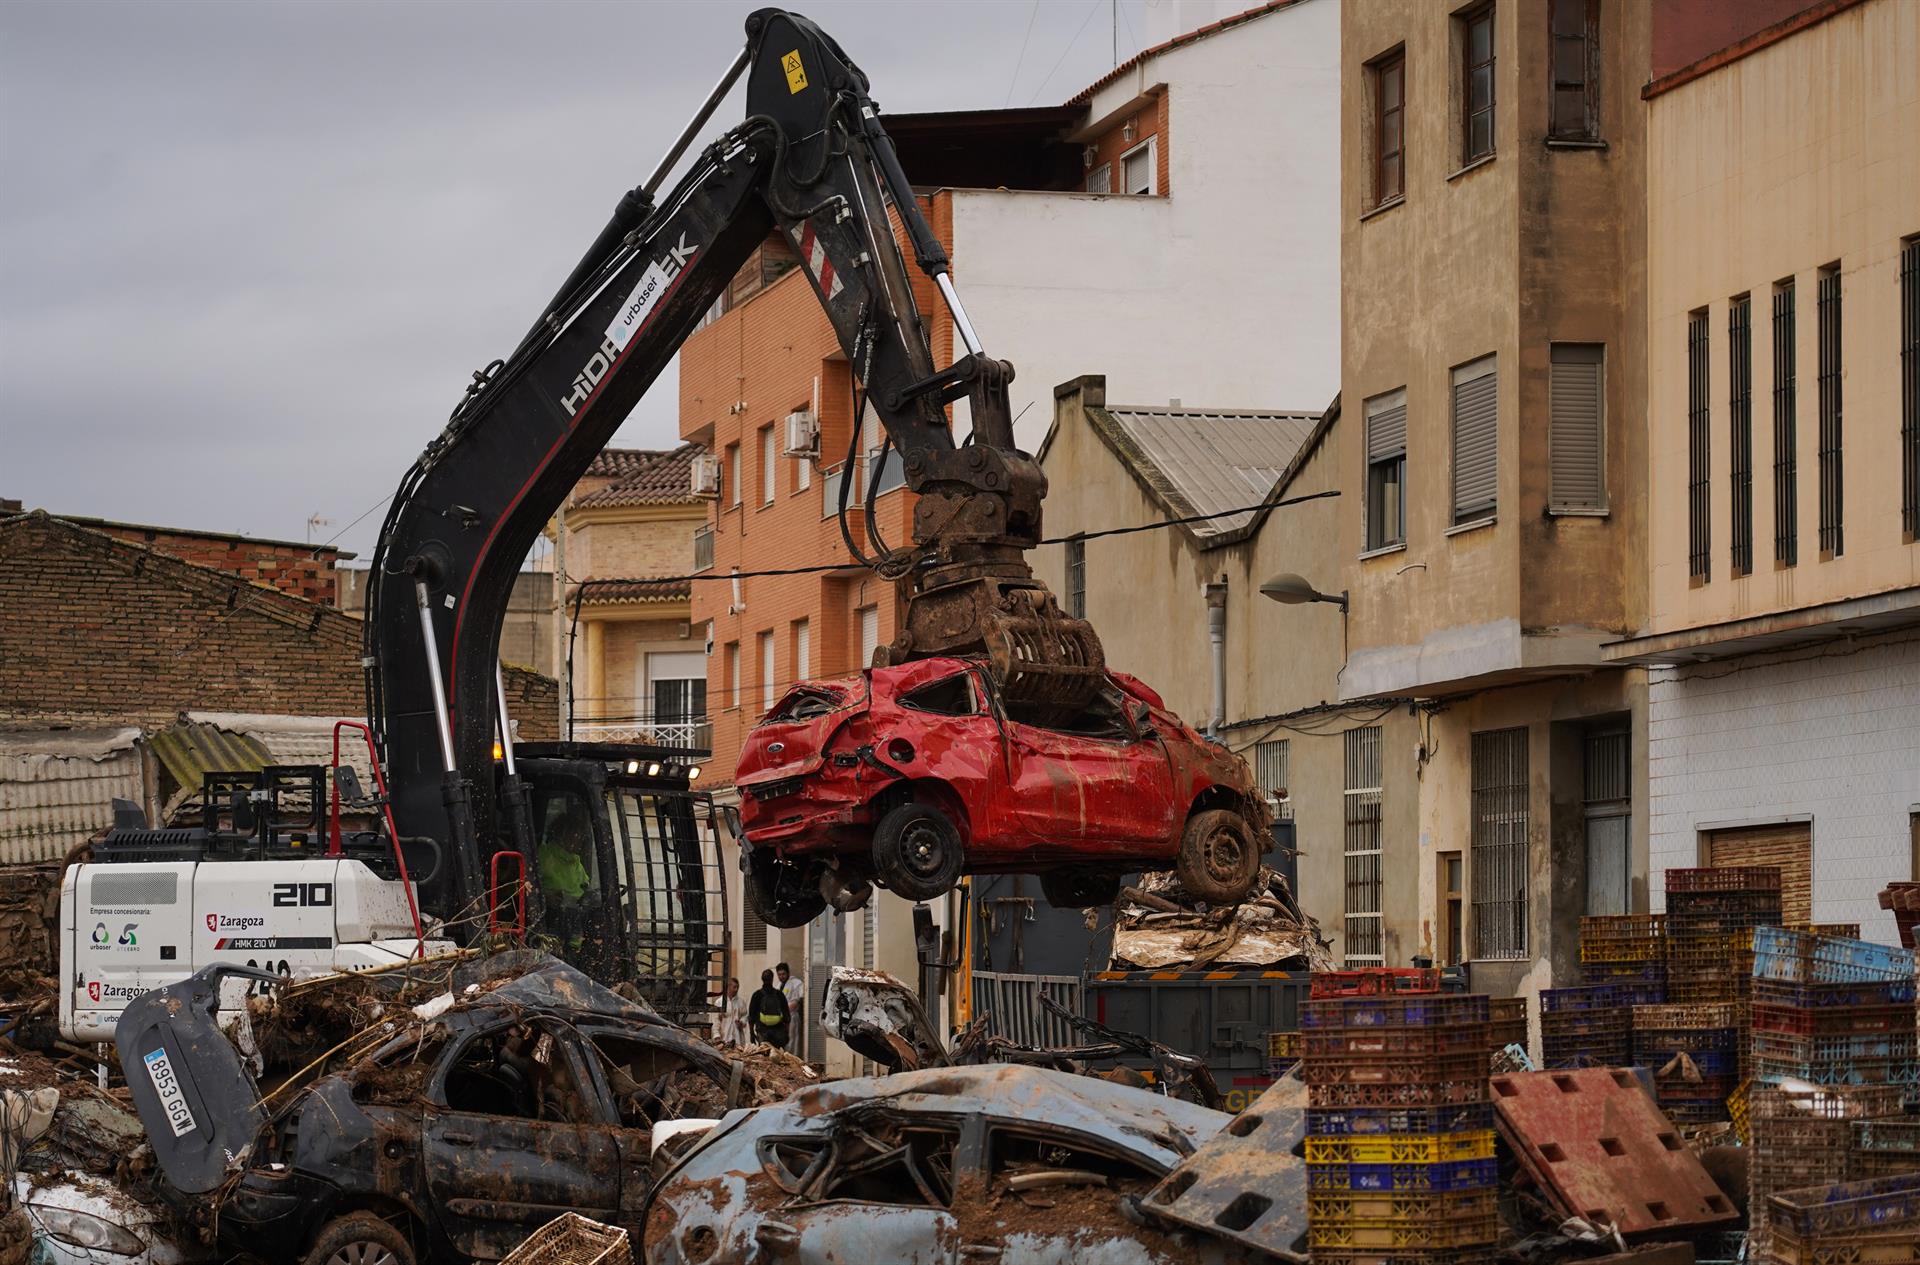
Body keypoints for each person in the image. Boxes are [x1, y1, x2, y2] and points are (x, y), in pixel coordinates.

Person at [750, 969, 791, 1049]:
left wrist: (751, 1033)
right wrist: (786, 1033)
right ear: (772, 979)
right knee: (778, 1057)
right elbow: (787, 1017)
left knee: (764, 1057)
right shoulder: (779, 995)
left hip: (762, 1032)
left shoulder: (757, 995)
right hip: (778, 1032)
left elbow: (751, 1017)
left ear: (762, 979)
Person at [715, 977, 749, 1048]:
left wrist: (741, 1022)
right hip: (724, 1038)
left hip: (738, 1039)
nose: (736, 989)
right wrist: (716, 1035)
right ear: (728, 987)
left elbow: (745, 1015)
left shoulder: (741, 1002)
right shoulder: (719, 1002)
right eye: (734, 987)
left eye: (737, 987)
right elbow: (716, 1021)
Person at [777, 961, 805, 1037]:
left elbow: (801, 997)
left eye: (783, 974)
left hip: (792, 1017)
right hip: (781, 1018)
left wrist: (795, 1003)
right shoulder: (778, 985)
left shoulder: (797, 983)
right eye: (779, 975)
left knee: (792, 1042)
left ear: (788, 973)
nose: (781, 977)